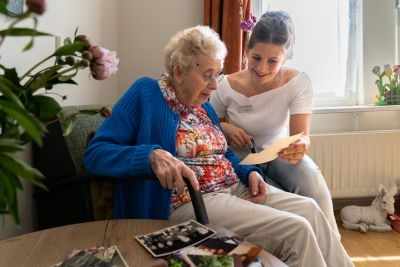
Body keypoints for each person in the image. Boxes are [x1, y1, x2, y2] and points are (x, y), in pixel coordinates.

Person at [84, 25, 353, 267]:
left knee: (310, 210)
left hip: (235, 187)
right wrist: (150, 156)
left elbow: (224, 154)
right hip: (192, 199)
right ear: (179, 71)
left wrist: (250, 174)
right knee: (297, 229)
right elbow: (96, 154)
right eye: (208, 75)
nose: (215, 85)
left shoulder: (203, 108)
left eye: (218, 75)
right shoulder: (146, 94)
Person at [209, 11, 339, 236]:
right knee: (279, 203)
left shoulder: (298, 83)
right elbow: (206, 124)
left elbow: (301, 136)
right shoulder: (224, 86)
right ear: (246, 51)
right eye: (256, 58)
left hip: (279, 153)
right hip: (240, 159)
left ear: (285, 58)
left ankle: (334, 249)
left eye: (273, 61)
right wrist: (225, 127)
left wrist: (301, 145)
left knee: (312, 181)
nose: (262, 68)